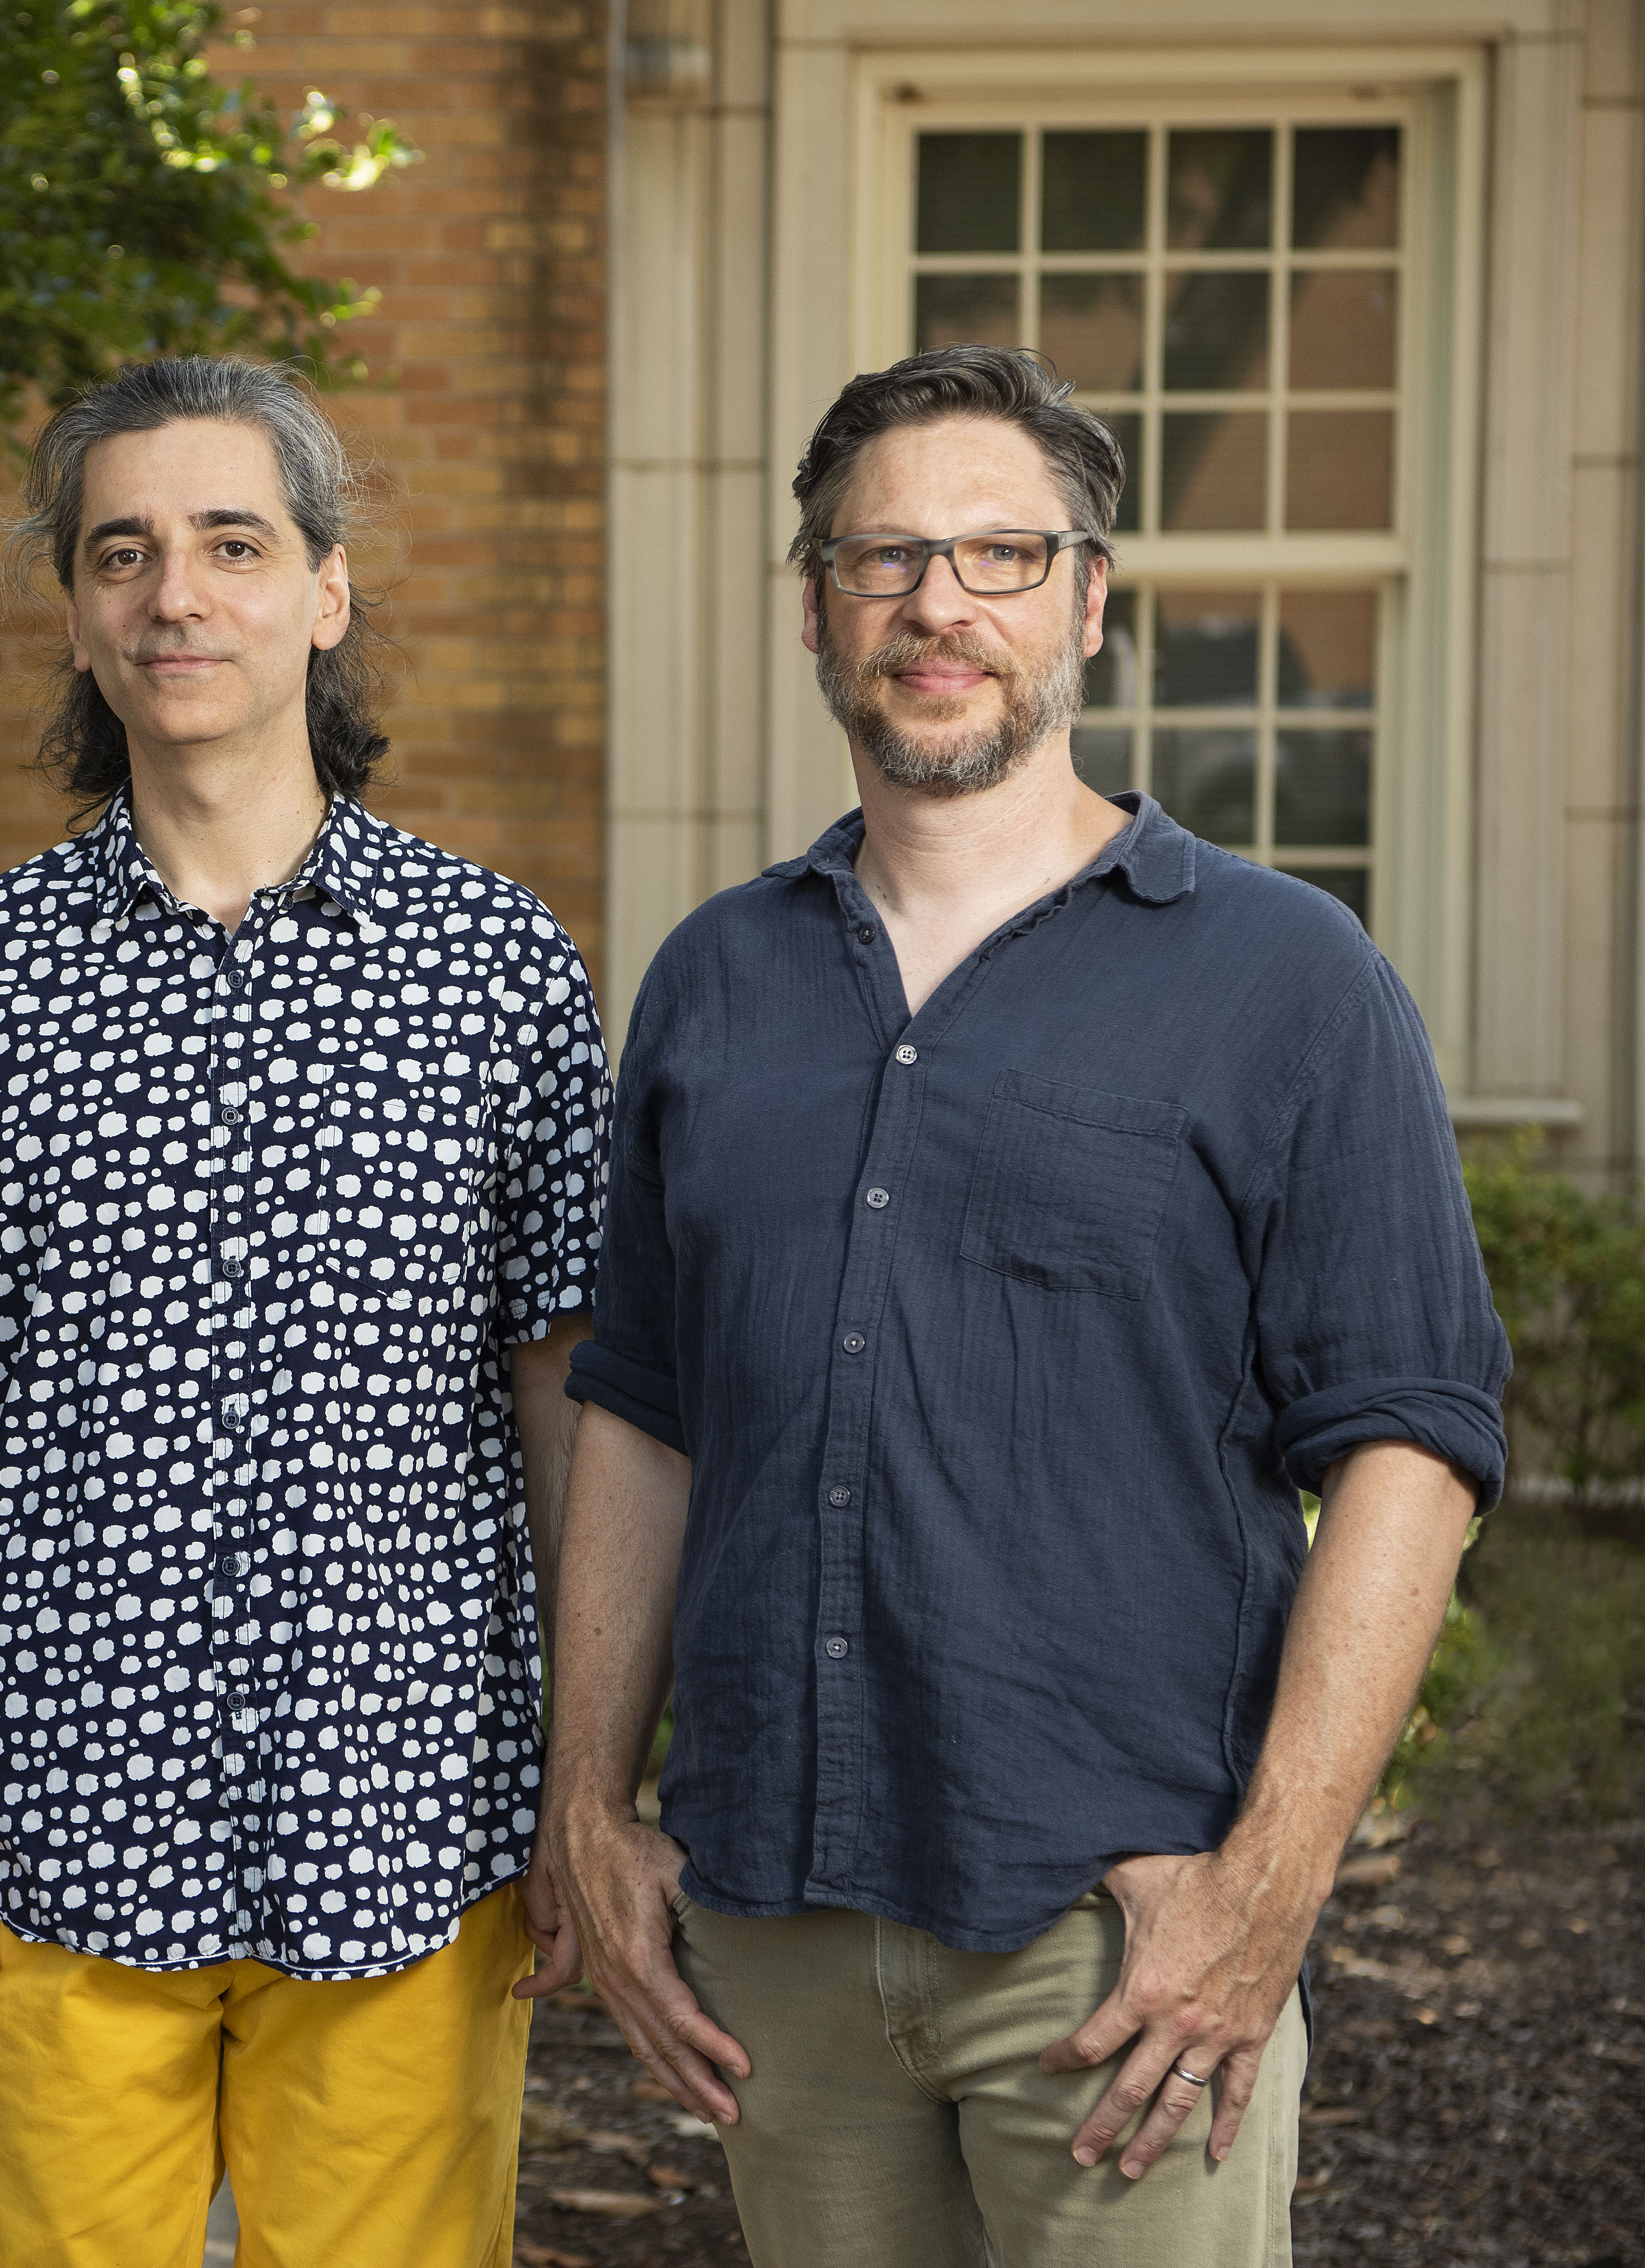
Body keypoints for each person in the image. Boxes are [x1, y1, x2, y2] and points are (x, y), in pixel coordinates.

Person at [538, 343, 1510, 2266]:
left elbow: (1413, 1444)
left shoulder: (1287, 980)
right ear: (815, 605)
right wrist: (591, 1809)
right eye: (883, 557)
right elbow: (640, 1415)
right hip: (781, 1944)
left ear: (1089, 600)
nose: (938, 607)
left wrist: (1272, 1883)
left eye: (999, 555)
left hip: (1118, 1943)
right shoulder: (715, 980)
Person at [0, 356, 605, 2265]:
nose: (176, 594)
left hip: (413, 1817)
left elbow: (566, 1390)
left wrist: (588, 1791)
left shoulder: (495, 963)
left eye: (231, 544)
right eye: (124, 553)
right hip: (40, 1827)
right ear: (80, 610)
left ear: (324, 593)